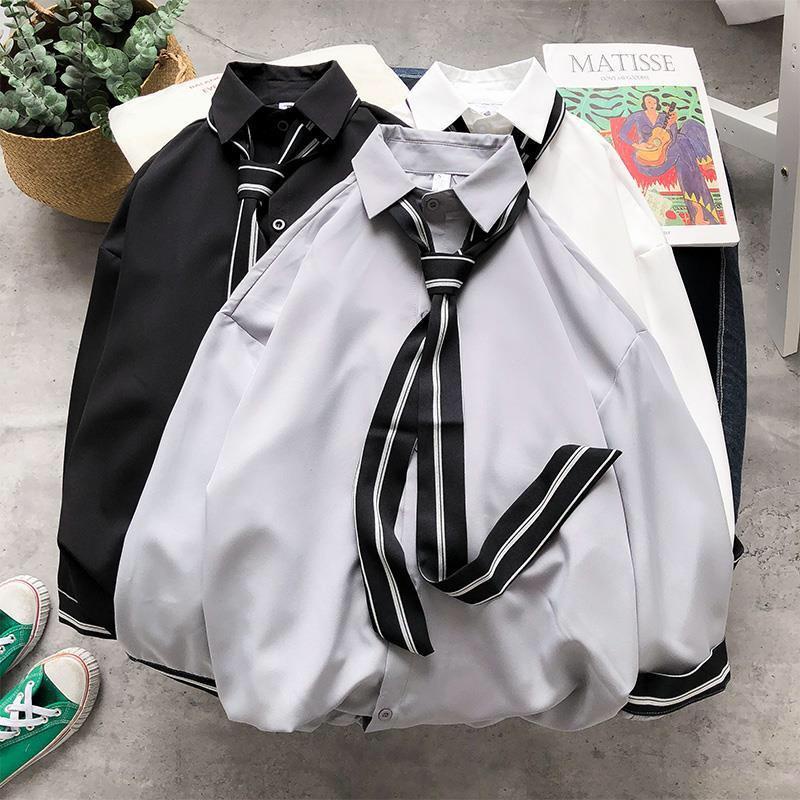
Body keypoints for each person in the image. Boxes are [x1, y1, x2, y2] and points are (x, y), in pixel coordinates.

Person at [620, 93, 720, 225]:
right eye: (648, 101)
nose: (651, 104)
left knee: (689, 127)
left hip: (666, 153)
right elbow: (622, 133)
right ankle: (698, 211)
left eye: (653, 102)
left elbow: (673, 138)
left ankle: (697, 211)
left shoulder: (663, 116)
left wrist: (673, 124)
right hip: (645, 158)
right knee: (682, 143)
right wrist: (637, 145)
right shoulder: (637, 116)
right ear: (644, 103)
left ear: (657, 103)